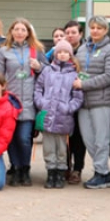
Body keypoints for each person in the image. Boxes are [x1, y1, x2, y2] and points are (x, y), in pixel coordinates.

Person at [0, 17, 46, 186]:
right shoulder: (4, 51)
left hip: (29, 102)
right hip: (10, 101)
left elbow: (47, 71)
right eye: (16, 29)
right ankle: (15, 168)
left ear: (28, 33)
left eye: (23, 30)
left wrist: (38, 67)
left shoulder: (36, 49)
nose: (19, 32)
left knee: (24, 138)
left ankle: (25, 168)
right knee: (10, 138)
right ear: (11, 32)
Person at [74, 16, 110, 189]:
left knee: (101, 139)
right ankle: (103, 170)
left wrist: (84, 84)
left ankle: (101, 172)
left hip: (101, 102)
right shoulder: (83, 49)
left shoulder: (109, 50)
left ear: (105, 30)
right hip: (83, 103)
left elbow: (109, 76)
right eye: (92, 28)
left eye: (99, 28)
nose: (95, 31)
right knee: (88, 139)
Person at [34, 39, 84, 189]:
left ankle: (61, 173)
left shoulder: (74, 74)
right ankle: (51, 172)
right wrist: (41, 103)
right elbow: (38, 88)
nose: (62, 55)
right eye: (60, 52)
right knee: (48, 146)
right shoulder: (47, 71)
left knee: (62, 148)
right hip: (48, 115)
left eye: (66, 52)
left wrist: (68, 108)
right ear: (55, 54)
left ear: (70, 55)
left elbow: (78, 96)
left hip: (64, 117)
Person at [62, 20, 86, 185]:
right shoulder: (59, 50)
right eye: (67, 33)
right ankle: (65, 167)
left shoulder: (86, 51)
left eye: (73, 32)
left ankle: (77, 168)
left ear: (80, 34)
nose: (70, 35)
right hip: (62, 102)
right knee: (64, 136)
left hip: (80, 99)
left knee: (78, 136)